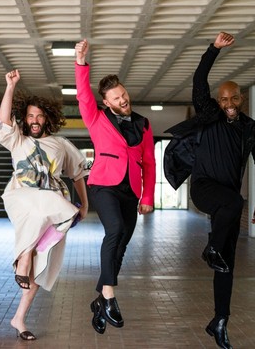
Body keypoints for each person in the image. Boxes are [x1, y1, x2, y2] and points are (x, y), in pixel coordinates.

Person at [163, 32, 255, 349]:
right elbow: (199, 79)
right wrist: (213, 50)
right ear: (217, 101)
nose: (228, 104)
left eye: (233, 98)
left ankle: (220, 321)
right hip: (205, 189)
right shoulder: (209, 116)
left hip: (229, 205)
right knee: (234, 203)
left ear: (241, 98)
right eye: (223, 99)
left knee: (227, 262)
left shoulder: (252, 128)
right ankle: (211, 247)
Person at [0, 69, 89, 341]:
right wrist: (10, 87)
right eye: (30, 116)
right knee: (49, 203)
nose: (34, 120)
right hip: (22, 198)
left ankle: (19, 319)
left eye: (39, 115)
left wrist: (83, 205)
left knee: (38, 270)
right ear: (24, 119)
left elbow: (78, 174)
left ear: (47, 117)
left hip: (52, 211)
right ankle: (23, 255)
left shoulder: (60, 144)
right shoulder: (18, 140)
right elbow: (3, 120)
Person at [74, 39, 156, 334]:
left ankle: (98, 301)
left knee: (120, 247)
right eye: (116, 98)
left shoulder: (144, 124)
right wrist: (81, 62)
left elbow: (149, 162)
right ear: (106, 102)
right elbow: (84, 96)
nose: (122, 100)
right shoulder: (96, 118)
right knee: (115, 231)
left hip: (131, 189)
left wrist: (148, 195)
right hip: (104, 184)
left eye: (123, 94)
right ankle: (109, 297)